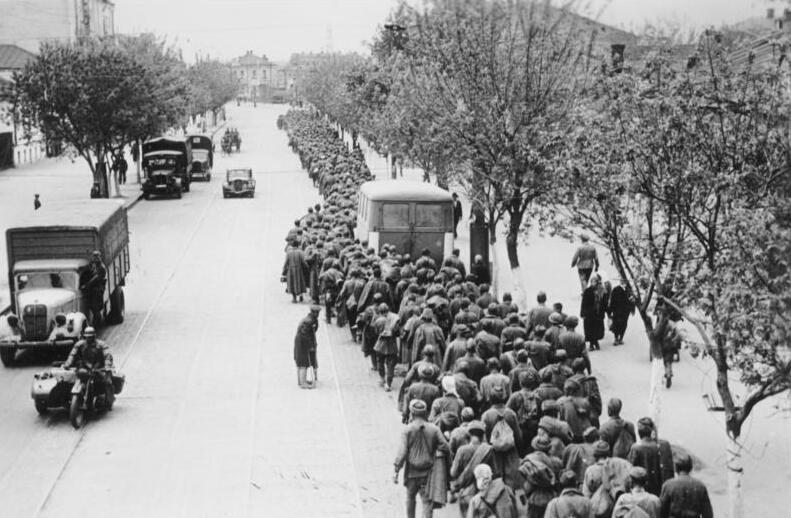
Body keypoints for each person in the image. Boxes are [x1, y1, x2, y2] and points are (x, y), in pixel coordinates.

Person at [394, 399, 450, 518]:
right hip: (428, 473)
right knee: (427, 502)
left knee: (410, 498)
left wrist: (397, 469)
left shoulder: (407, 430)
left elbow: (402, 452)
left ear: (412, 413)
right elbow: (445, 447)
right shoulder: (434, 429)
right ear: (425, 413)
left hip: (411, 473)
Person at [63, 326, 115, 408]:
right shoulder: (79, 344)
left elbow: (107, 356)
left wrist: (107, 367)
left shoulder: (101, 345)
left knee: (107, 381)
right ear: (84, 337)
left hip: (98, 368)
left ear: (94, 336)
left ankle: (109, 401)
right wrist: (67, 364)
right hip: (85, 368)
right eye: (87, 337)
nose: (89, 339)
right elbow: (72, 354)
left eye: (91, 337)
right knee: (73, 380)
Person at [449, 422, 493, 517]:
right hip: (485, 493)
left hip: (466, 493)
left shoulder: (462, 450)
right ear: (483, 435)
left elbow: (453, 473)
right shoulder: (489, 450)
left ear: (469, 434)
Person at [627, 418, 667, 496]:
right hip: (656, 488)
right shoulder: (658, 447)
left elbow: (630, 468)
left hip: (639, 488)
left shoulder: (636, 447)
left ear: (639, 433)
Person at [373, 302, 401, 391]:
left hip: (380, 345)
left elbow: (376, 332)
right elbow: (397, 333)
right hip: (391, 345)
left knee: (380, 362)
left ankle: (382, 379)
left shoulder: (378, 320)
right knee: (390, 365)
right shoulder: (395, 318)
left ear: (380, 311)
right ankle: (388, 384)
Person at [293, 306, 321, 388]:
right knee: (303, 363)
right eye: (316, 312)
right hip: (302, 342)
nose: (318, 314)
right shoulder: (309, 321)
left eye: (318, 312)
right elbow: (305, 335)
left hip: (300, 341)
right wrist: (310, 346)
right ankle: (303, 383)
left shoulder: (311, 319)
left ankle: (301, 381)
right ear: (313, 312)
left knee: (301, 361)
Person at [80, 250, 107, 327]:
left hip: (97, 290)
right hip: (92, 289)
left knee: (96, 309)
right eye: (94, 257)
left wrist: (86, 285)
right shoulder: (93, 265)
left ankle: (96, 326)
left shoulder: (101, 268)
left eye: (97, 257)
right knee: (92, 307)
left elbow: (95, 279)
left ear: (100, 257)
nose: (96, 258)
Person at [581, 273, 607, 351]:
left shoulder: (602, 290)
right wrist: (583, 313)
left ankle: (595, 342)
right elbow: (584, 303)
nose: (593, 283)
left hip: (598, 314)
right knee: (589, 329)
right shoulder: (587, 291)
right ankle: (592, 344)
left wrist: (606, 311)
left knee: (597, 329)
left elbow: (604, 302)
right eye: (592, 282)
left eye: (595, 282)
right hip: (589, 314)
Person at [608, 280, 635, 345]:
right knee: (616, 324)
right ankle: (616, 338)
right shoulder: (616, 289)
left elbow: (632, 300)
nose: (623, 283)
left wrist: (632, 309)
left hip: (625, 311)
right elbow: (612, 300)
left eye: (624, 281)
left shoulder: (629, 290)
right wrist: (610, 311)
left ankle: (621, 338)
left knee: (624, 324)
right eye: (622, 281)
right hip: (617, 310)